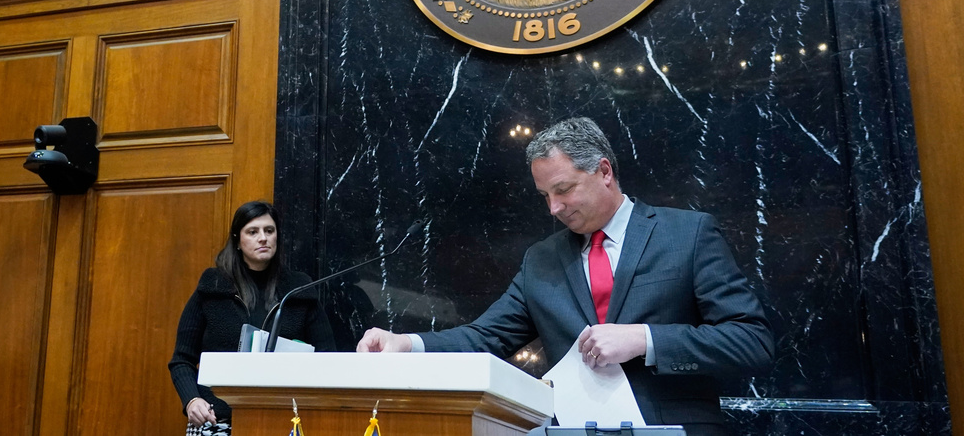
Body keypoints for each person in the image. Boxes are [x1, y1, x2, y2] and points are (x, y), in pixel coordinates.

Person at [357, 117, 773, 436]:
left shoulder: (688, 233)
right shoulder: (542, 259)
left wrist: (643, 339)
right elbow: (485, 337)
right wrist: (405, 344)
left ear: (604, 172)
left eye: (564, 189)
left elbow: (751, 341)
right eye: (545, 196)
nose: (553, 209)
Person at [170, 201, 336, 435]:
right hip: (217, 419)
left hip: (284, 418)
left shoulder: (299, 290)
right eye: (253, 231)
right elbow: (181, 360)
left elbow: (327, 358)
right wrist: (192, 400)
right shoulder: (213, 287)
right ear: (238, 240)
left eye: (269, 231)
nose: (263, 238)